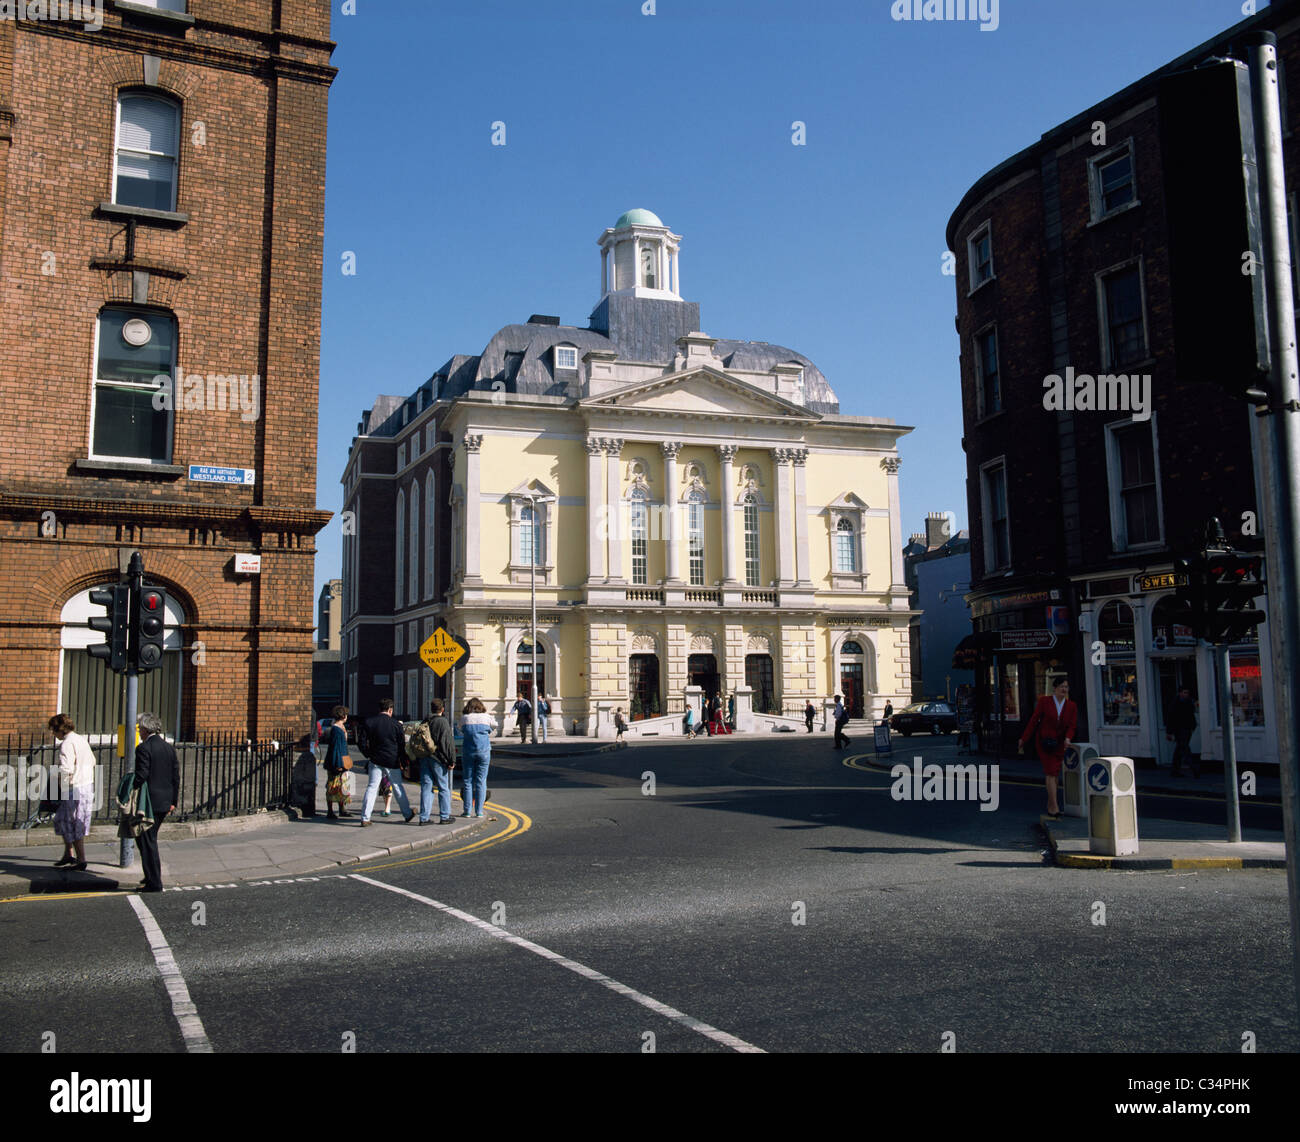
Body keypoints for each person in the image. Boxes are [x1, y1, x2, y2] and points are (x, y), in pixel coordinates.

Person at [1019, 676, 1078, 819]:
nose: (1064, 689)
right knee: (1050, 772)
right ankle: (1054, 807)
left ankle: (1050, 804)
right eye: (1062, 687)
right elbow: (1034, 720)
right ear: (1055, 688)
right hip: (1044, 743)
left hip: (1059, 745)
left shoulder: (1071, 706)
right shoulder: (1044, 702)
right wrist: (1024, 738)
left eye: (1066, 687)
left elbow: (1072, 725)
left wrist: (1068, 738)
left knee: (1054, 773)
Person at [134, 712, 180, 894]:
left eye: (139, 728)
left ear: (145, 729)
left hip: (149, 803)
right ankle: (150, 876)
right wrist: (173, 801)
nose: (139, 731)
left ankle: (154, 882)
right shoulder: (168, 748)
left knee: (147, 840)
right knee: (146, 839)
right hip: (164, 801)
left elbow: (142, 775)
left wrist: (131, 785)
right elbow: (175, 776)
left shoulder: (144, 748)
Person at [49, 713, 95, 871]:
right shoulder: (80, 739)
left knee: (73, 823)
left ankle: (81, 859)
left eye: (53, 730)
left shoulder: (67, 743)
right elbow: (93, 761)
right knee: (64, 820)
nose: (53, 734)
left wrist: (57, 780)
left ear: (59, 729)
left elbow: (66, 768)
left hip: (74, 787)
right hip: (87, 785)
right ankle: (68, 854)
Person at [360, 698, 415, 826]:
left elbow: (361, 741)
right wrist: (403, 761)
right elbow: (401, 745)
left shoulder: (369, 722)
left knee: (372, 787)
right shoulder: (396, 725)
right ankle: (407, 813)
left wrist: (367, 754)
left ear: (380, 709)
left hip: (375, 760)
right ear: (390, 710)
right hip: (392, 760)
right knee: (397, 787)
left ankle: (365, 817)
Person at [417, 699, 458, 825]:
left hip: (425, 757)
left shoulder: (425, 721)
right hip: (438, 759)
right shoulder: (443, 722)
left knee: (426, 787)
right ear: (442, 709)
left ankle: (424, 818)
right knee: (443, 787)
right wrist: (452, 760)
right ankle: (444, 816)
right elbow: (447, 743)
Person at [460, 697, 496, 818]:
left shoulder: (465, 718)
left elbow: (460, 730)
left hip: (468, 751)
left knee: (468, 781)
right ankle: (479, 811)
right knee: (481, 781)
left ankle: (467, 811)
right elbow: (495, 725)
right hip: (484, 751)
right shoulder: (486, 716)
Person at [322, 706, 353, 820]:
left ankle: (342, 809)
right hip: (336, 761)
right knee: (332, 786)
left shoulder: (341, 727)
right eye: (346, 715)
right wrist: (337, 764)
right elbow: (335, 748)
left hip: (343, 760)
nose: (347, 717)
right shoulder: (336, 729)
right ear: (343, 716)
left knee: (344, 786)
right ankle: (330, 811)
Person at [1167, 686, 1199, 779]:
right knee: (1185, 748)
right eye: (1184, 692)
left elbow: (1191, 715)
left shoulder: (1189, 702)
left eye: (1187, 693)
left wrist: (1193, 726)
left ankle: (1175, 770)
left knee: (1179, 749)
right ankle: (1194, 769)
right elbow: (1171, 718)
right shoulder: (1175, 703)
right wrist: (1169, 732)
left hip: (1187, 728)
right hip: (1179, 729)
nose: (1186, 694)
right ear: (1180, 693)